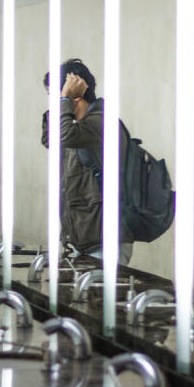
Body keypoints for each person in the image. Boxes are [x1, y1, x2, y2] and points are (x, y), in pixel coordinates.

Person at [41, 58, 133, 265]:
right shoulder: (77, 127)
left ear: (74, 94)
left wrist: (65, 99)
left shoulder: (101, 123)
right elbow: (50, 140)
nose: (53, 103)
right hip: (85, 239)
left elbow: (62, 136)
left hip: (104, 241)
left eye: (54, 96)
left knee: (96, 298)